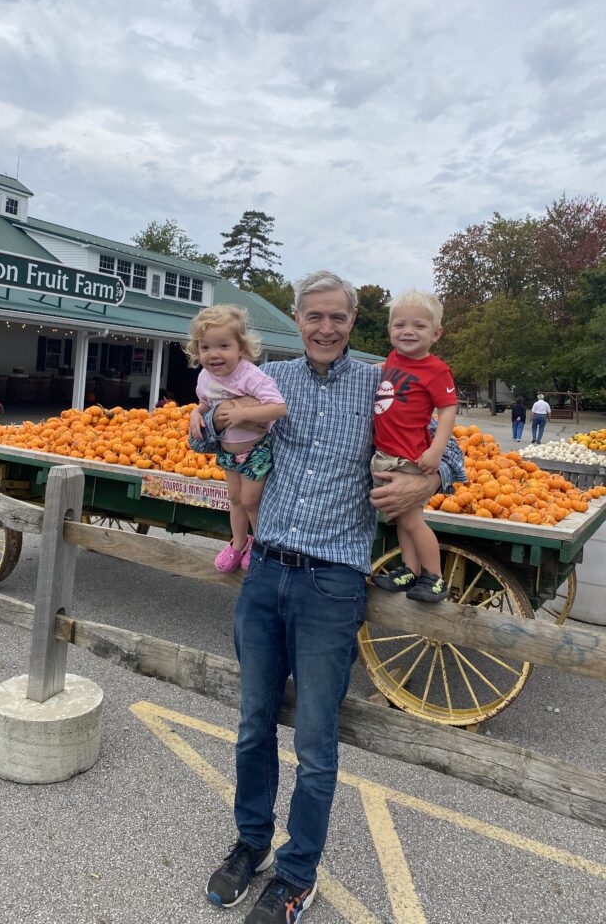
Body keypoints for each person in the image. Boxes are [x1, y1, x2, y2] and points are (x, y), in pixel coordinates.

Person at [192, 271, 464, 923]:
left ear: (353, 319)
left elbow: (450, 460)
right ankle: (252, 843)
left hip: (332, 583)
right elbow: (207, 435)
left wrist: (422, 488)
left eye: (337, 317)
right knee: (254, 723)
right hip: (266, 573)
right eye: (313, 316)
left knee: (315, 742)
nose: (324, 328)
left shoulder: (383, 382)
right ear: (296, 317)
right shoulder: (270, 380)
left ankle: (295, 874)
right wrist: (211, 420)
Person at [370, 290, 464, 603]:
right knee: (399, 518)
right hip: (386, 455)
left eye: (419, 326)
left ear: (436, 334)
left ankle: (434, 576)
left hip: (410, 457)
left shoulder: (436, 370)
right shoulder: (391, 361)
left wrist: (437, 450)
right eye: (400, 325)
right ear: (390, 329)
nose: (408, 331)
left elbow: (448, 409)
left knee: (411, 519)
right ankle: (409, 569)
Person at [186, 305, 287, 573]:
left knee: (252, 500)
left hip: (255, 449)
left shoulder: (250, 375)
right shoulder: (205, 378)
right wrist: (196, 414)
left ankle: (262, 546)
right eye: (205, 347)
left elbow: (278, 407)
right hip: (228, 451)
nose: (214, 354)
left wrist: (244, 413)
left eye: (223, 346)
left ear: (240, 348)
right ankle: (238, 543)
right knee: (234, 498)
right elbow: (205, 403)